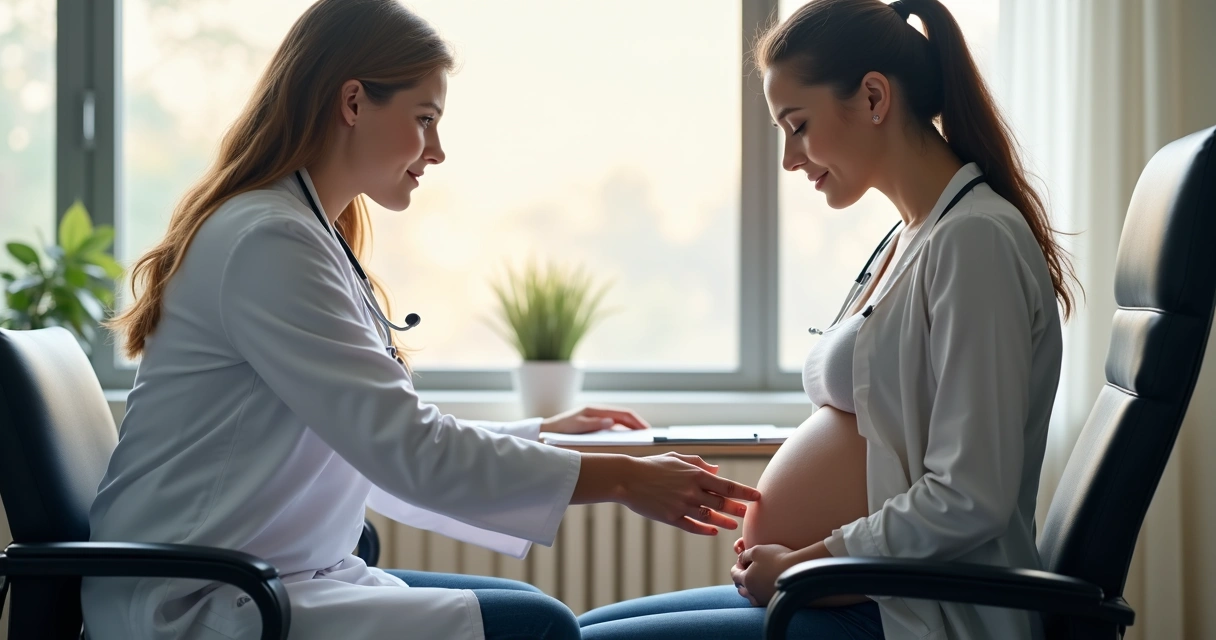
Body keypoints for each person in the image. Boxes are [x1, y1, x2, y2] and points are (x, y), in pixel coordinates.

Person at [80, 1, 760, 639]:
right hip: (201, 599)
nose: (436, 151)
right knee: (540, 627)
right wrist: (622, 477)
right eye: (425, 118)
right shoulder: (269, 242)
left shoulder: (300, 232)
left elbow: (375, 444)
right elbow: (403, 451)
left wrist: (545, 434)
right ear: (353, 101)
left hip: (264, 575)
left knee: (531, 615)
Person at [578, 0, 1075, 638]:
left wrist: (806, 566)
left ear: (873, 98)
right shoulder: (913, 236)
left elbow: (969, 498)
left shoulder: (973, 243)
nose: (789, 158)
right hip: (858, 592)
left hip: (913, 612)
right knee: (580, 627)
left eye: (798, 124)